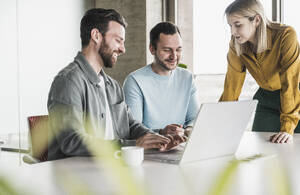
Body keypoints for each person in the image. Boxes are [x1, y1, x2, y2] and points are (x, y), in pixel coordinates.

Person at [47, 8, 185, 161]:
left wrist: (159, 138)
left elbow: (131, 125)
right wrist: (132, 145)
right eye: (118, 40)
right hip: (79, 177)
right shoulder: (68, 81)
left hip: (113, 169)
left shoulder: (112, 86)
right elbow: (71, 140)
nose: (123, 49)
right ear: (96, 36)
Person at [220, 0, 300, 144]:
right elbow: (231, 87)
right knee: (262, 147)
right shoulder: (236, 44)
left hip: (295, 97)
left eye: (238, 25)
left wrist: (287, 127)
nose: (233, 32)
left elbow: (290, 82)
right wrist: (220, 124)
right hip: (266, 98)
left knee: (293, 150)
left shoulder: (286, 35)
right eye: (230, 26)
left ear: (256, 20)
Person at [123, 22, 200, 137]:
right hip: (149, 151)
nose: (174, 56)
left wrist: (188, 130)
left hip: (180, 148)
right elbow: (133, 130)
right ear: (152, 49)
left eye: (178, 50)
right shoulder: (134, 81)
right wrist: (161, 132)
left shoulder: (187, 78)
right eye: (167, 50)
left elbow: (194, 118)